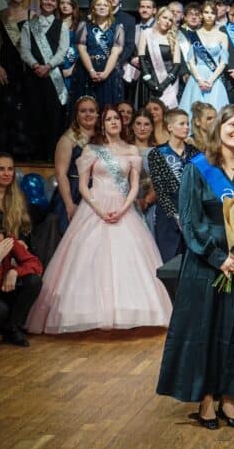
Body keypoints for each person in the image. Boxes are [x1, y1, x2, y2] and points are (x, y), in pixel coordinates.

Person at [157, 105, 234, 430]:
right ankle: (205, 398)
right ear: (219, 127)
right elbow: (190, 221)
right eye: (232, 124)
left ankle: (229, 399)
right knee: (205, 331)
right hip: (206, 263)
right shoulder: (198, 168)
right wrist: (219, 259)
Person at [26, 105, 171, 334]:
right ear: (102, 124)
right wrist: (99, 209)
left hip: (123, 208)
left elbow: (134, 185)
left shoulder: (131, 150)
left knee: (127, 260)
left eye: (116, 118)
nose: (113, 122)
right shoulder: (91, 150)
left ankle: (128, 312)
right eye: (108, 119)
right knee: (87, 259)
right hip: (95, 207)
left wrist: (123, 208)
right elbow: (83, 186)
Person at [21, 0, 72, 160]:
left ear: (56, 4)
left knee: (53, 116)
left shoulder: (62, 26)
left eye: (52, 0)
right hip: (34, 77)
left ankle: (51, 155)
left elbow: (63, 51)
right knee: (34, 115)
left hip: (53, 78)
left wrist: (48, 66)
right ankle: (34, 156)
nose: (49, 2)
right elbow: (24, 50)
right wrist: (36, 65)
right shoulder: (29, 25)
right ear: (40, 0)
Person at [0, 0, 33, 157]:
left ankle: (21, 149)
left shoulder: (31, 15)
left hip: (24, 64)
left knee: (23, 107)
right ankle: (3, 148)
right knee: (4, 106)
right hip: (6, 63)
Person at [147, 108, 199, 262]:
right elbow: (160, 190)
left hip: (192, 213)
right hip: (168, 216)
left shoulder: (195, 153)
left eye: (187, 124)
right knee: (170, 262)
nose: (186, 127)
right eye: (181, 124)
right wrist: (176, 216)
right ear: (170, 127)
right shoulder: (157, 153)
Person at [51, 96, 98, 234]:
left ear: (97, 114)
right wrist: (69, 204)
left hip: (98, 191)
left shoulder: (103, 137)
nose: (88, 114)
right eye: (83, 111)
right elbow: (61, 174)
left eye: (91, 110)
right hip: (74, 191)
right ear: (76, 115)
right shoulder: (68, 139)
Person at [179, 0, 230, 117]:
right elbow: (191, 61)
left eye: (212, 13)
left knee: (216, 113)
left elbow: (223, 62)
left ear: (216, 15)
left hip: (214, 78)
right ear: (201, 15)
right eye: (206, 12)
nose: (209, 16)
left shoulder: (223, 36)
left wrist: (211, 80)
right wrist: (199, 79)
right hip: (197, 78)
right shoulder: (194, 35)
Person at [76, 0, 126, 106]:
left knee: (107, 106)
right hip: (87, 70)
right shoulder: (84, 25)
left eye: (105, 5)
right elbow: (81, 49)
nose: (102, 7)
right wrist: (91, 71)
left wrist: (105, 73)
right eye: (98, 5)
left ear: (110, 9)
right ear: (93, 8)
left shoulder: (117, 27)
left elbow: (115, 52)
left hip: (109, 71)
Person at [135, 6, 183, 112]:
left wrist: (164, 84)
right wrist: (149, 81)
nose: (167, 22)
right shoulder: (146, 33)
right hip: (149, 80)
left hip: (168, 82)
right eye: (164, 18)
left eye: (170, 20)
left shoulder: (174, 37)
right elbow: (141, 58)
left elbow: (177, 64)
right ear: (158, 18)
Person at [130, 109, 158, 232]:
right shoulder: (124, 150)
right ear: (132, 126)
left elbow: (160, 183)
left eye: (146, 124)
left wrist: (146, 201)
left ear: (152, 128)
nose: (142, 128)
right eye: (138, 124)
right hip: (126, 205)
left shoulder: (157, 152)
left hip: (150, 207)